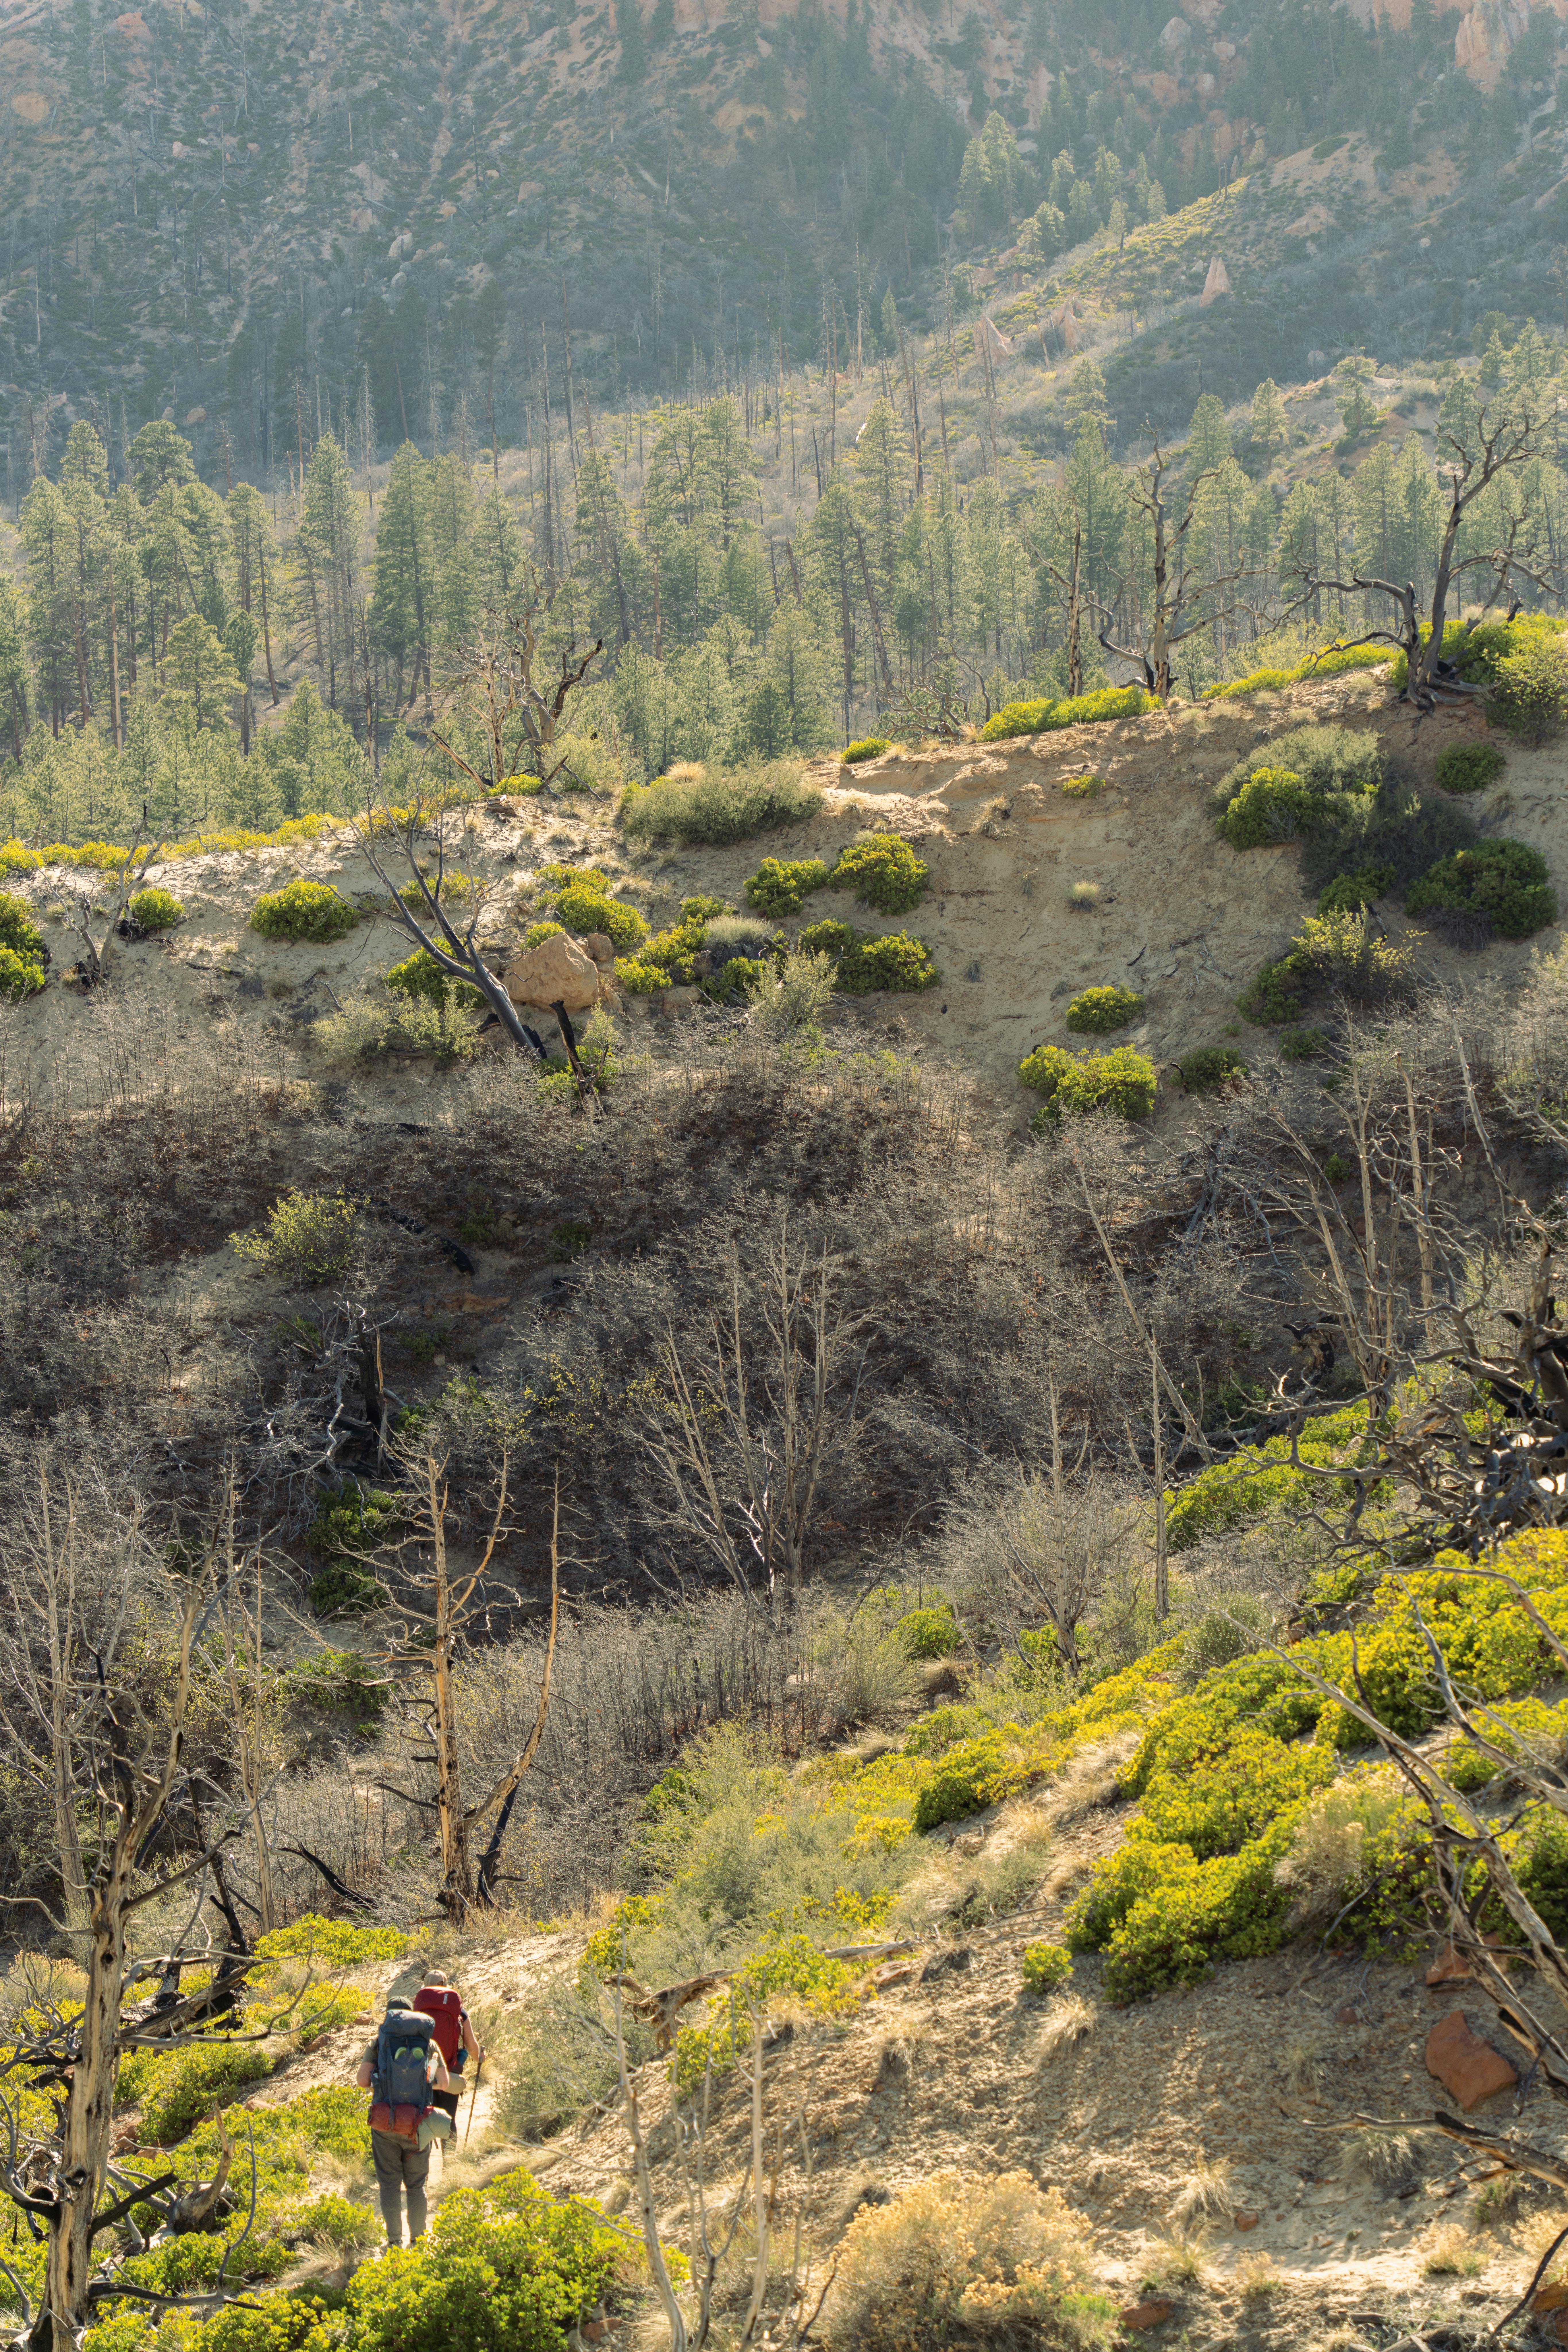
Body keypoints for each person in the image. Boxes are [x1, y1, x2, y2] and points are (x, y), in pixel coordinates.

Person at [356, 1998, 451, 2247]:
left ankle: (394, 2241)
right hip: (418, 2126)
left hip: (384, 2123)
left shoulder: (378, 2043)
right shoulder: (429, 2045)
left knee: (389, 2185)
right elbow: (443, 2082)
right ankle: (418, 2240)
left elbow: (362, 2081)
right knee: (416, 2186)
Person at [411, 1968, 484, 2125]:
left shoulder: (417, 2009)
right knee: (449, 2122)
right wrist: (479, 2058)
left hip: (423, 2074)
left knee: (425, 2122)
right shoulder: (459, 2011)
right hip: (450, 2072)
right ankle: (451, 2150)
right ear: (445, 1984)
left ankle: (427, 2150)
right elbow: (471, 2045)